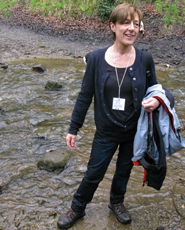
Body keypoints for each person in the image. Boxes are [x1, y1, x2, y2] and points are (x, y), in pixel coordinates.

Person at [57, 3, 160, 229]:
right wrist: (74, 128)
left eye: (136, 24)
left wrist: (158, 100)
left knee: (124, 170)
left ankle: (116, 202)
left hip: (134, 131)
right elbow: (85, 95)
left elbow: (158, 91)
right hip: (106, 131)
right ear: (113, 26)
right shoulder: (95, 58)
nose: (131, 28)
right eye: (125, 23)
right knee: (94, 172)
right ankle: (78, 207)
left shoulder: (145, 59)